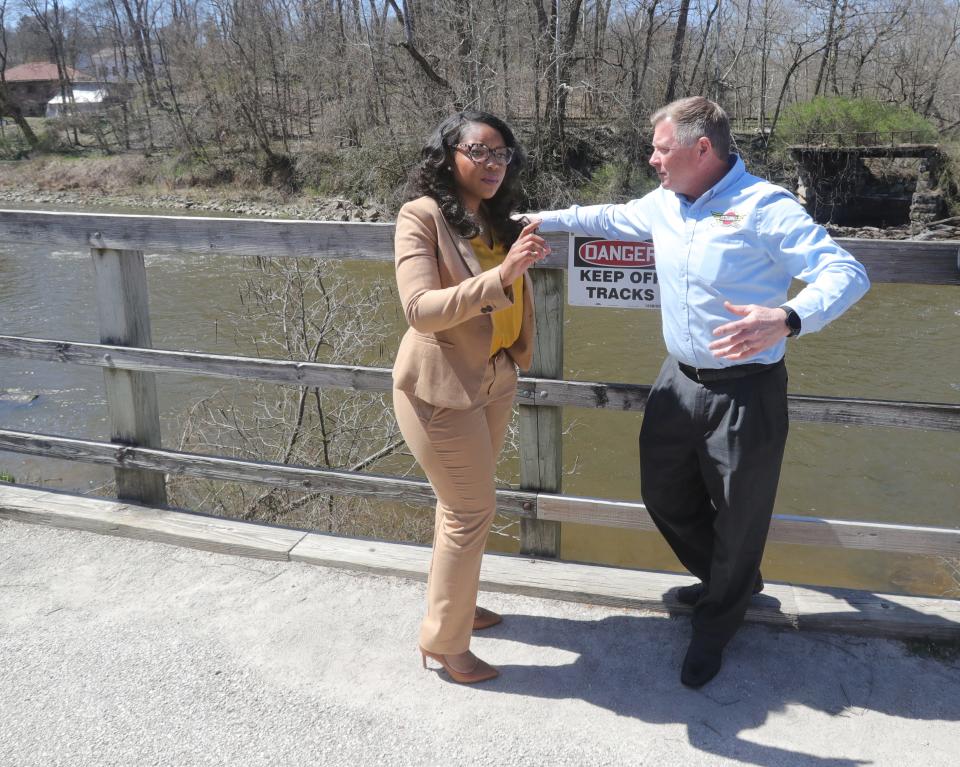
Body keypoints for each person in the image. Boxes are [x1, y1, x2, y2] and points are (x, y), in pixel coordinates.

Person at [536, 96, 870, 687]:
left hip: (748, 390)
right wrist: (543, 220)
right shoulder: (664, 204)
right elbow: (609, 219)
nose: (652, 159)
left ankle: (717, 622)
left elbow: (846, 272)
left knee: (740, 514)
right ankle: (730, 582)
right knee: (661, 492)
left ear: (702, 149)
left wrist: (788, 317)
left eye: (661, 149)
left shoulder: (765, 207)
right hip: (678, 379)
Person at [392, 111, 549, 684]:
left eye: (502, 154)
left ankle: (454, 606)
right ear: (448, 153)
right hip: (440, 390)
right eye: (479, 151)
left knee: (461, 508)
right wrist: (502, 274)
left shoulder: (496, 219)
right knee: (470, 510)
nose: (492, 164)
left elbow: (509, 288)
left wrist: (517, 263)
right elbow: (420, 309)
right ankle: (445, 642)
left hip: (495, 378)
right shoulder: (422, 216)